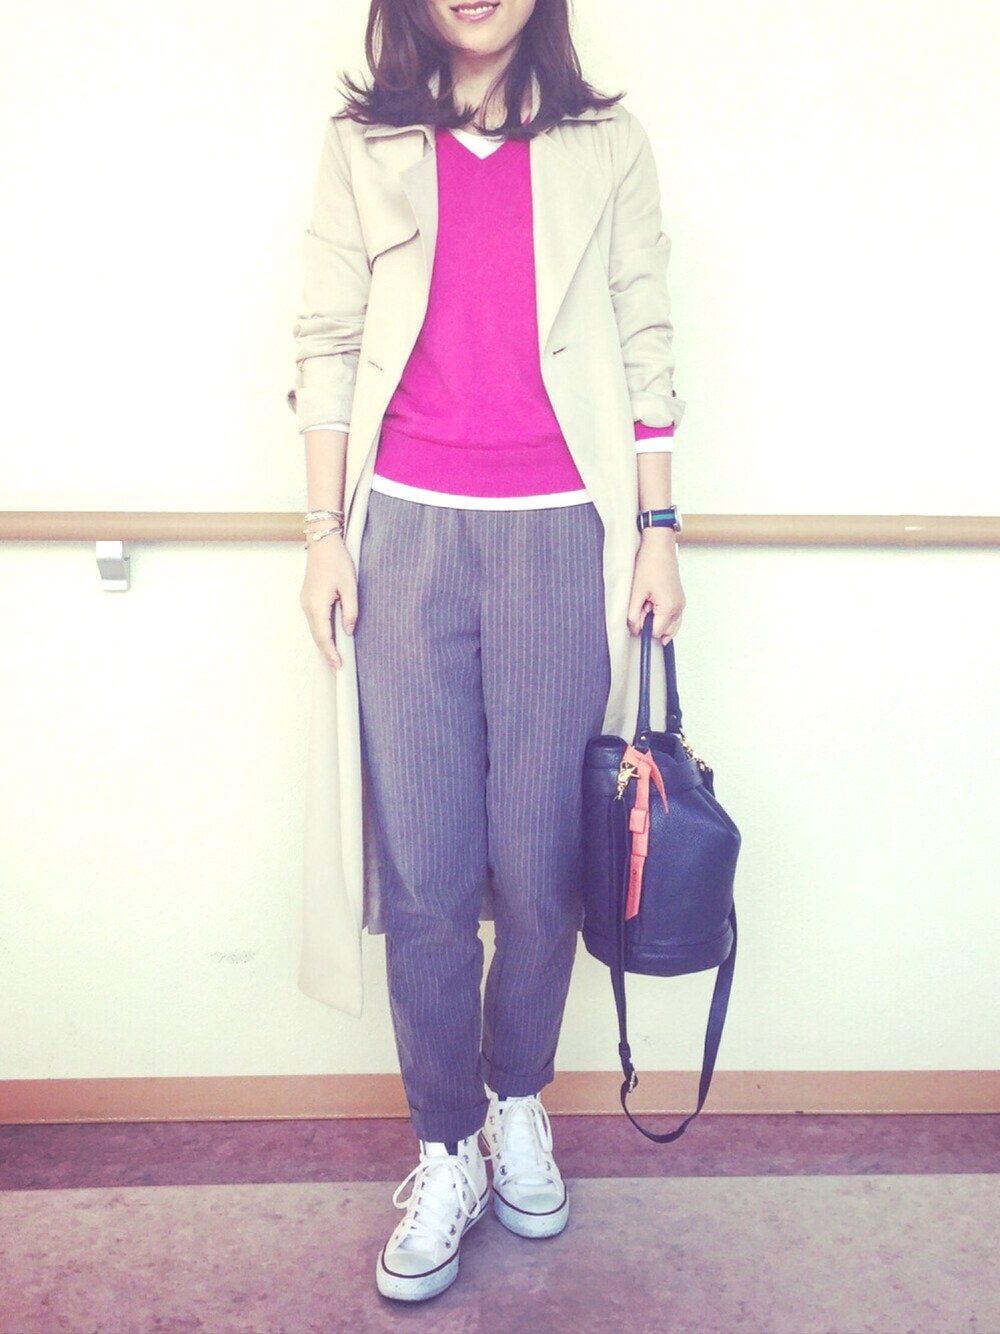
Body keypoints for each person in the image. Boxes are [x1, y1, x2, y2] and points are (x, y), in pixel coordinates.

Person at [291, 0, 686, 1304]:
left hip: (557, 532)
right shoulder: (363, 144)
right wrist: (321, 534)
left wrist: (659, 531)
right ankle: (445, 1143)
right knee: (425, 864)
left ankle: (520, 1101)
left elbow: (646, 339)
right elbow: (325, 341)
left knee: (538, 857)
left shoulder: (605, 144)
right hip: (404, 532)